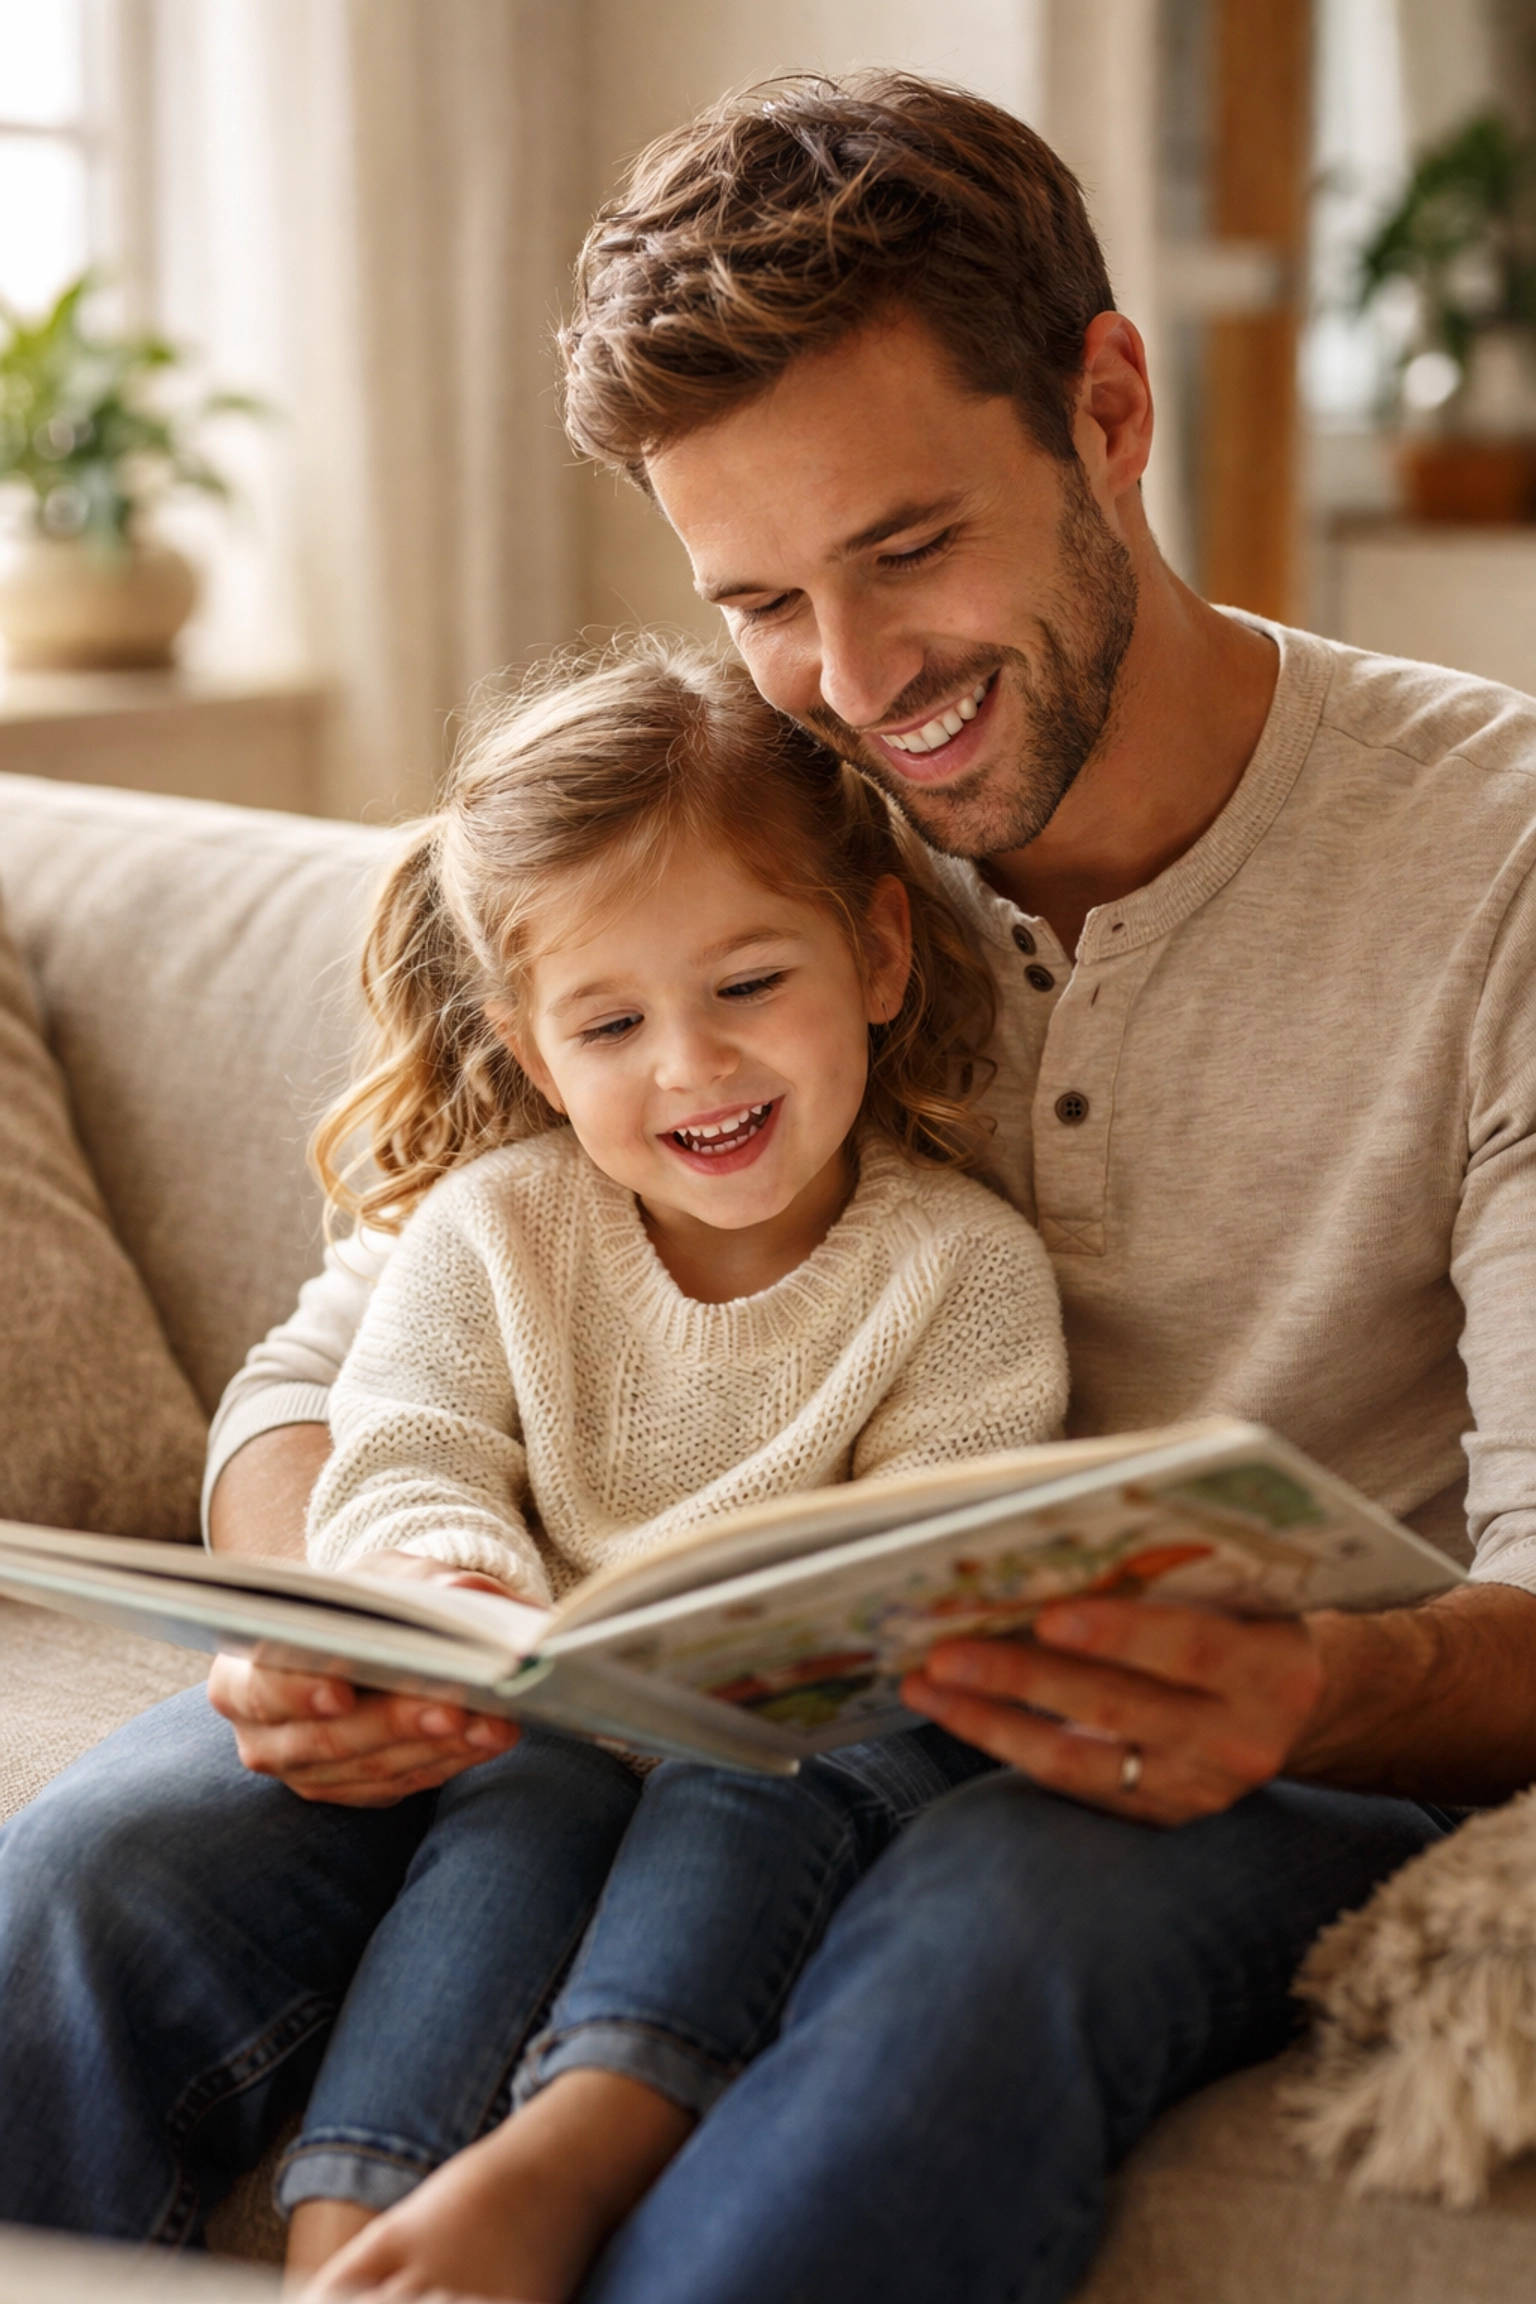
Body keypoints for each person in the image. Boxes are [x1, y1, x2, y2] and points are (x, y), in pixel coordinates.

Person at [3, 67, 1536, 2304]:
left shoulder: (1494, 868)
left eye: (910, 549)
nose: (855, 681)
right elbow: (349, 1359)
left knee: (967, 1953)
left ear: (1108, 407)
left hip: (1218, 1756)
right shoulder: (745, 820)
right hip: (583, 1676)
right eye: (759, 598)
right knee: (90, 1873)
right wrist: (325, 1625)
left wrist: (1315, 1691)